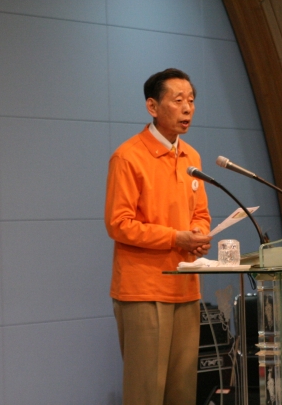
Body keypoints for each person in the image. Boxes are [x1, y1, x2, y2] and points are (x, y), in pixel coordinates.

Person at [105, 68, 213, 405]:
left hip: (186, 287)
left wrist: (199, 233)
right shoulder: (128, 156)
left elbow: (201, 213)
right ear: (152, 106)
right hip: (144, 290)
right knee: (146, 393)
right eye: (178, 100)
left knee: (182, 392)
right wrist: (175, 238)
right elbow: (119, 223)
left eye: (191, 100)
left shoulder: (192, 157)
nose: (187, 108)